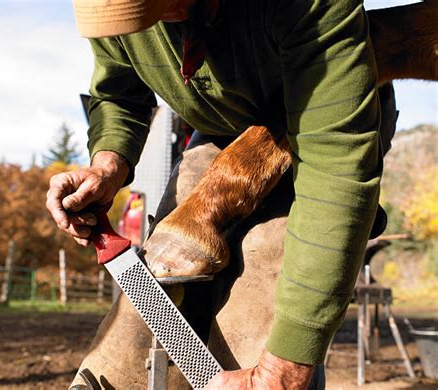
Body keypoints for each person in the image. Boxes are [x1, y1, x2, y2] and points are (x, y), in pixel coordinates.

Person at [47, 0, 392, 388]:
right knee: (161, 268)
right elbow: (118, 93)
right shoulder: (116, 15)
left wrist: (284, 366)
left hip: (317, 136)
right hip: (215, 133)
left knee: (265, 271)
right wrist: (107, 165)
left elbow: (334, 164)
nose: (156, 25)